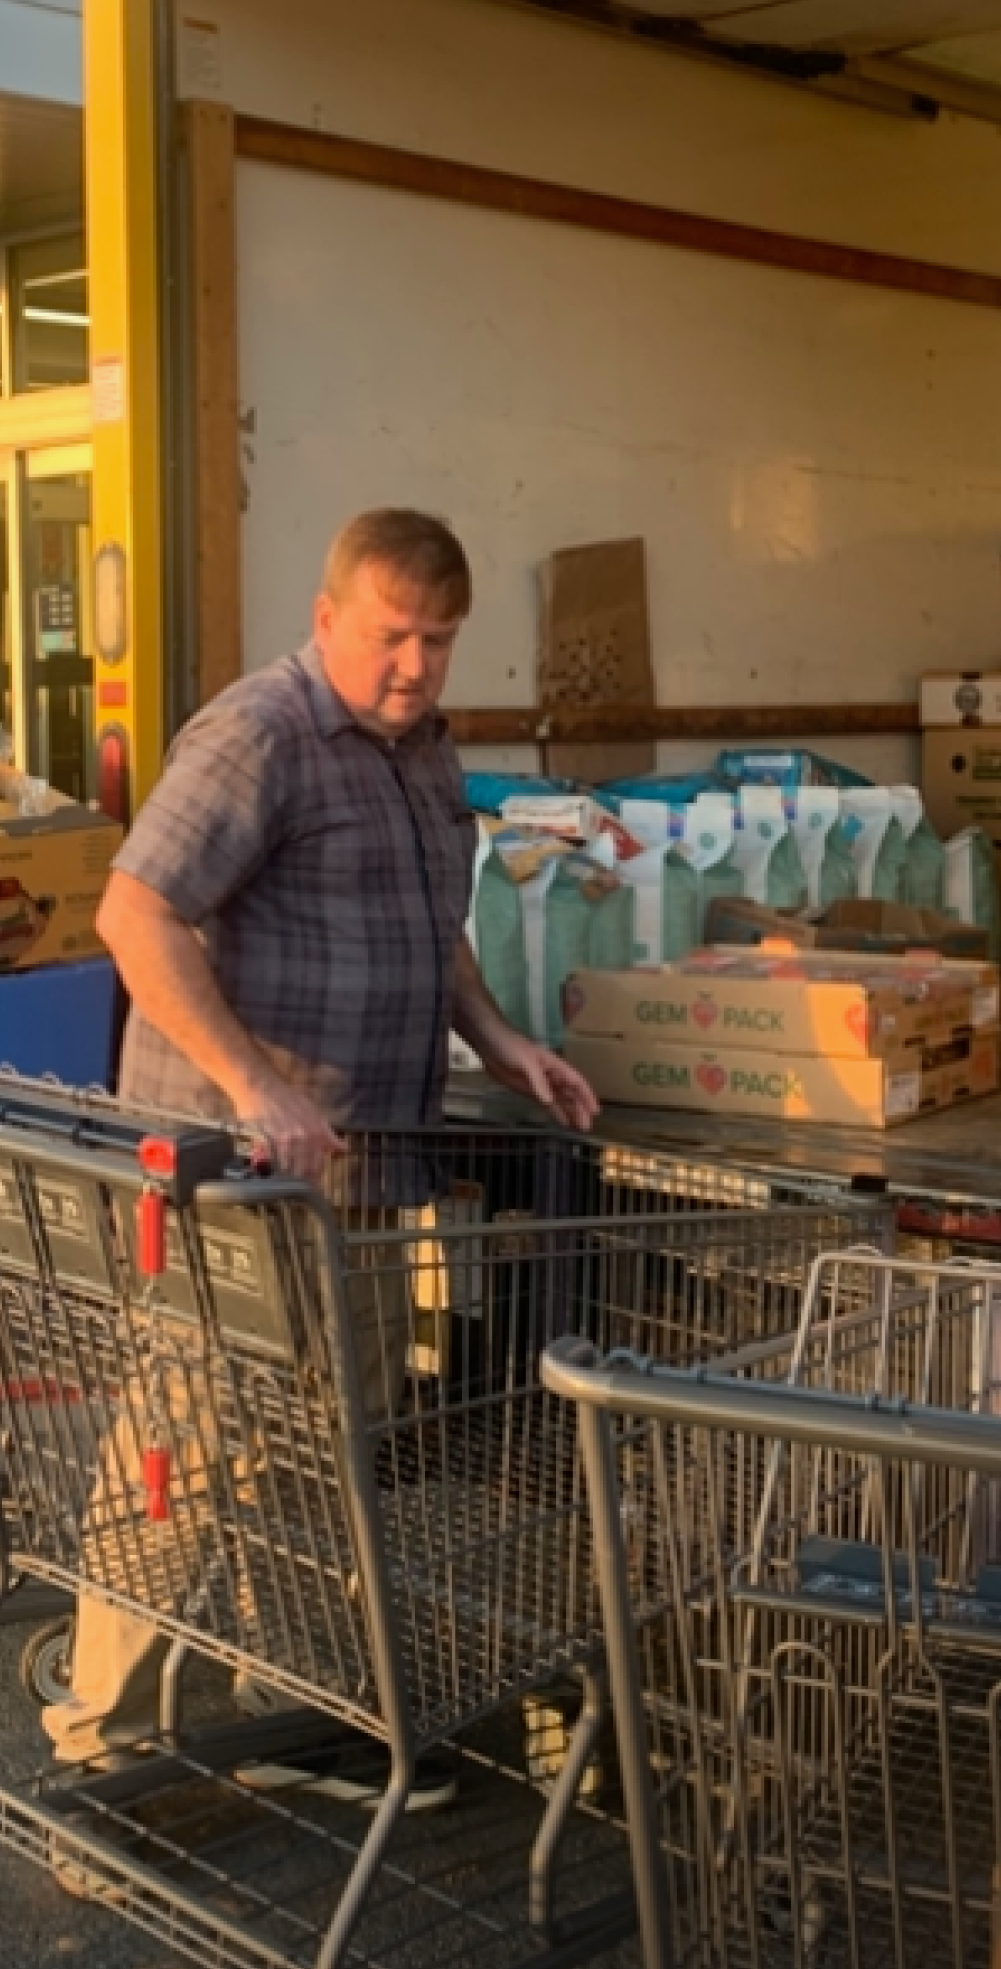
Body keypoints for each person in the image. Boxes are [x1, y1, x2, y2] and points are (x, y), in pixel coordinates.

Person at [43, 504, 600, 1809]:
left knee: (306, 1447)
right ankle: (97, 1744)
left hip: (352, 1175)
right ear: (328, 614)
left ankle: (280, 1703)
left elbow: (429, 929)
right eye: (394, 634)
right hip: (233, 1180)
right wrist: (253, 1084)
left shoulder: (421, 751)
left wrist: (502, 1040)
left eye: (442, 639)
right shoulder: (263, 734)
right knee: (179, 1445)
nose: (416, 663)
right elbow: (134, 911)